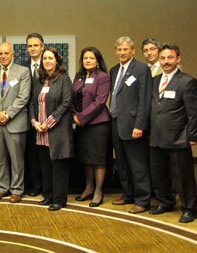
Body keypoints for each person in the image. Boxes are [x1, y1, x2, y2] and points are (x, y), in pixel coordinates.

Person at [148, 44, 197, 223]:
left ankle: (189, 209)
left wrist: (193, 135)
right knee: (159, 173)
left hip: (178, 137)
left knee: (182, 176)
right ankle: (165, 202)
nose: (166, 62)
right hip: (156, 136)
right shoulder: (155, 81)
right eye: (163, 58)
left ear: (178, 59)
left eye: (170, 58)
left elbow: (194, 112)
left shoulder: (187, 81)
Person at [109, 36, 152, 214]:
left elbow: (144, 99)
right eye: (119, 49)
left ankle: (142, 199)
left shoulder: (141, 69)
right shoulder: (114, 70)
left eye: (125, 49)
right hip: (116, 122)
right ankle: (127, 194)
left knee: (137, 164)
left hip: (133, 124)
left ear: (133, 51)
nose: (122, 53)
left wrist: (139, 125)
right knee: (122, 163)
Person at [29, 48, 74, 211]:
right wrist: (34, 122)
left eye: (50, 58)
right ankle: (48, 196)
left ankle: (59, 200)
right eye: (45, 58)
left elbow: (66, 103)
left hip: (57, 131)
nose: (47, 61)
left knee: (58, 167)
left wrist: (47, 123)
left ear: (57, 61)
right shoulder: (40, 80)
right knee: (45, 166)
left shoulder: (63, 78)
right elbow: (32, 103)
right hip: (40, 131)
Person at [0, 42, 30, 204]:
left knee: (16, 159)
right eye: (0, 54)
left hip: (15, 123)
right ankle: (1, 188)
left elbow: (23, 97)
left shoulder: (23, 71)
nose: (3, 56)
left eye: (6, 53)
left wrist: (8, 114)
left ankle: (17, 189)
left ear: (13, 54)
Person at [71, 47, 110, 207]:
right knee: (86, 158)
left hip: (97, 124)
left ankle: (98, 191)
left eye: (91, 58)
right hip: (81, 125)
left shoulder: (103, 77)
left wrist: (81, 117)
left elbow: (100, 102)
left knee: (98, 159)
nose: (87, 61)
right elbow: (72, 98)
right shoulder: (78, 77)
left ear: (98, 61)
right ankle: (88, 188)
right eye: (85, 58)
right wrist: (74, 115)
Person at [22, 33, 45, 197]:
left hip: (46, 120)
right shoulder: (22, 68)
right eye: (30, 46)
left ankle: (47, 186)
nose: (33, 48)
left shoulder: (50, 65)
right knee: (32, 155)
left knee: (45, 155)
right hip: (27, 118)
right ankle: (36, 186)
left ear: (42, 46)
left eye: (35, 45)